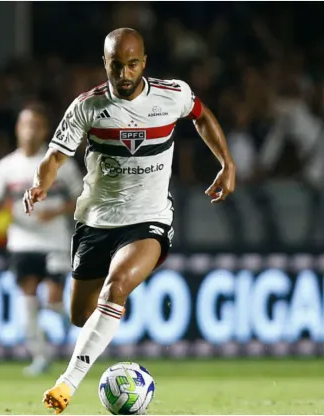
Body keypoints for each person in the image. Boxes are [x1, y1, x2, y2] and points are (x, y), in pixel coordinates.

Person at [22, 28, 236, 413]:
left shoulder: (172, 95)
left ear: (144, 62)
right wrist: (39, 185)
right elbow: (54, 157)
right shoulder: (87, 107)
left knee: (116, 287)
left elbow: (201, 116)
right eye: (116, 65)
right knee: (80, 316)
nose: (124, 73)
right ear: (104, 63)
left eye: (132, 64)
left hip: (149, 218)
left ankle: (66, 384)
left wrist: (227, 163)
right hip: (96, 221)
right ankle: (114, 307)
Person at [0, 104, 83, 375]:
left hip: (55, 238)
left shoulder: (59, 161)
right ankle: (41, 356)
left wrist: (58, 210)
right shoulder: (6, 166)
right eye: (25, 125)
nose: (30, 130)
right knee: (28, 300)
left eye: (35, 125)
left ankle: (78, 323)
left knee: (54, 301)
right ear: (17, 129)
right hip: (21, 239)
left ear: (44, 129)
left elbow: (83, 195)